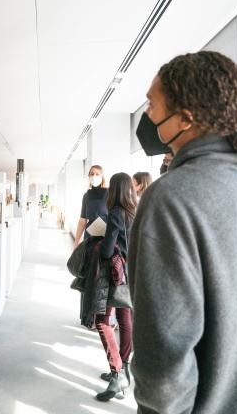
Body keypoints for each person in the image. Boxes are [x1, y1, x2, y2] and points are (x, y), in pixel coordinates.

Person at [129, 51, 237, 413]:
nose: (148, 115)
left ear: (186, 118)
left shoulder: (171, 198)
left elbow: (165, 358)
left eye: (152, 104)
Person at [95, 172, 137, 402]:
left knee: (102, 321)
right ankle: (124, 369)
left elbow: (108, 250)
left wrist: (101, 241)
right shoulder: (135, 211)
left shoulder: (116, 213)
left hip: (115, 275)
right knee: (125, 319)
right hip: (133, 274)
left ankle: (116, 372)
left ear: (114, 190)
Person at [74, 165, 108, 248]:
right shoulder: (86, 195)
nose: (94, 176)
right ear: (89, 176)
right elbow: (82, 220)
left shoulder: (109, 193)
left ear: (102, 176)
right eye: (92, 174)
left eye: (97, 174)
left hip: (106, 236)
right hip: (89, 236)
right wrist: (76, 243)